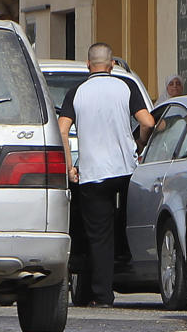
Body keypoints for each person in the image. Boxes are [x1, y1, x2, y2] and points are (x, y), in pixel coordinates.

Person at [58, 43, 154, 307]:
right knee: (127, 225)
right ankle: (135, 268)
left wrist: (70, 166)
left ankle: (103, 296)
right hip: (126, 171)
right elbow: (148, 122)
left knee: (98, 235)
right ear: (112, 65)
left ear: (88, 66)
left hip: (92, 174)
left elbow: (62, 129)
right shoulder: (126, 86)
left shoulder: (76, 92)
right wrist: (140, 144)